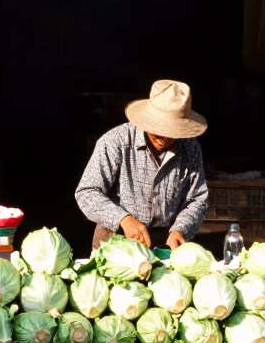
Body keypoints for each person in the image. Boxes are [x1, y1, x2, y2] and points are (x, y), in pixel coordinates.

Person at [75, 80, 210, 251]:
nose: (164, 138)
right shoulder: (116, 141)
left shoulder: (190, 147)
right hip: (116, 239)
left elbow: (197, 198)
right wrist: (123, 219)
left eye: (171, 133)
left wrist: (180, 229)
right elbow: (87, 192)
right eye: (158, 130)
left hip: (166, 240)